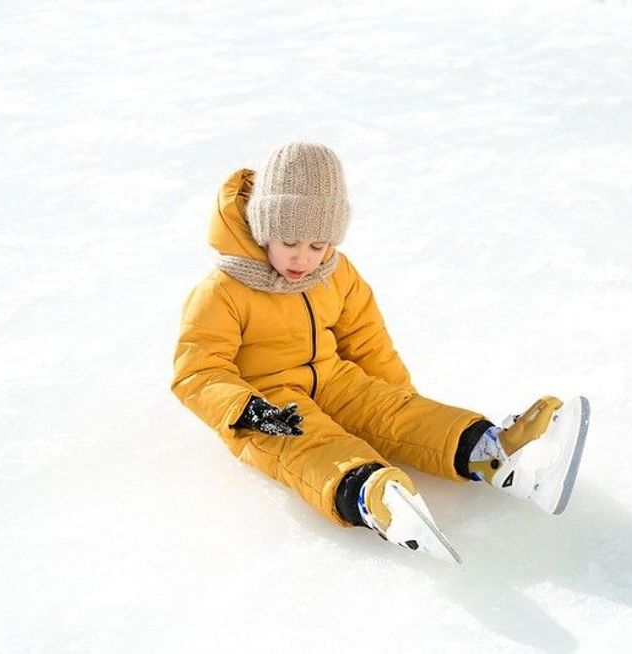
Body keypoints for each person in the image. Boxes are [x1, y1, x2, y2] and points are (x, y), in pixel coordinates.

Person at [171, 142, 589, 562]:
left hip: (335, 379)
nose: (303, 258)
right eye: (290, 241)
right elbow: (198, 371)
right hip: (272, 403)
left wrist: (403, 407)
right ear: (264, 229)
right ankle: (369, 494)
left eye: (318, 244)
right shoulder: (223, 290)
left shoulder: (335, 273)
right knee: (307, 444)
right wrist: (247, 409)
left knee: (390, 409)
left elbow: (367, 339)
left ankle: (494, 452)